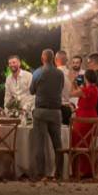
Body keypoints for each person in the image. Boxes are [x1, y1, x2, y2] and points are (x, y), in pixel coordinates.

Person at [29, 48, 65, 180]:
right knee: (58, 144)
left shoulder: (38, 72)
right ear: (53, 59)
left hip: (41, 111)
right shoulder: (59, 73)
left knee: (40, 143)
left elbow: (32, 91)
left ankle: (40, 173)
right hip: (56, 111)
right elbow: (60, 88)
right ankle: (59, 173)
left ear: (42, 58)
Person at [68, 68, 98, 178]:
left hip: (82, 120)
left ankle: (79, 170)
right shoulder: (95, 89)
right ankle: (89, 169)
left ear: (86, 78)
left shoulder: (85, 90)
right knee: (88, 144)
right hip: (93, 117)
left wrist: (73, 82)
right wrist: (79, 87)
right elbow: (82, 94)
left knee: (78, 142)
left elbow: (71, 93)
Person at [56, 50, 76, 125]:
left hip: (56, 108)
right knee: (67, 133)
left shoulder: (53, 73)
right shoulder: (71, 74)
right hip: (67, 108)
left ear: (56, 60)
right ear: (66, 60)